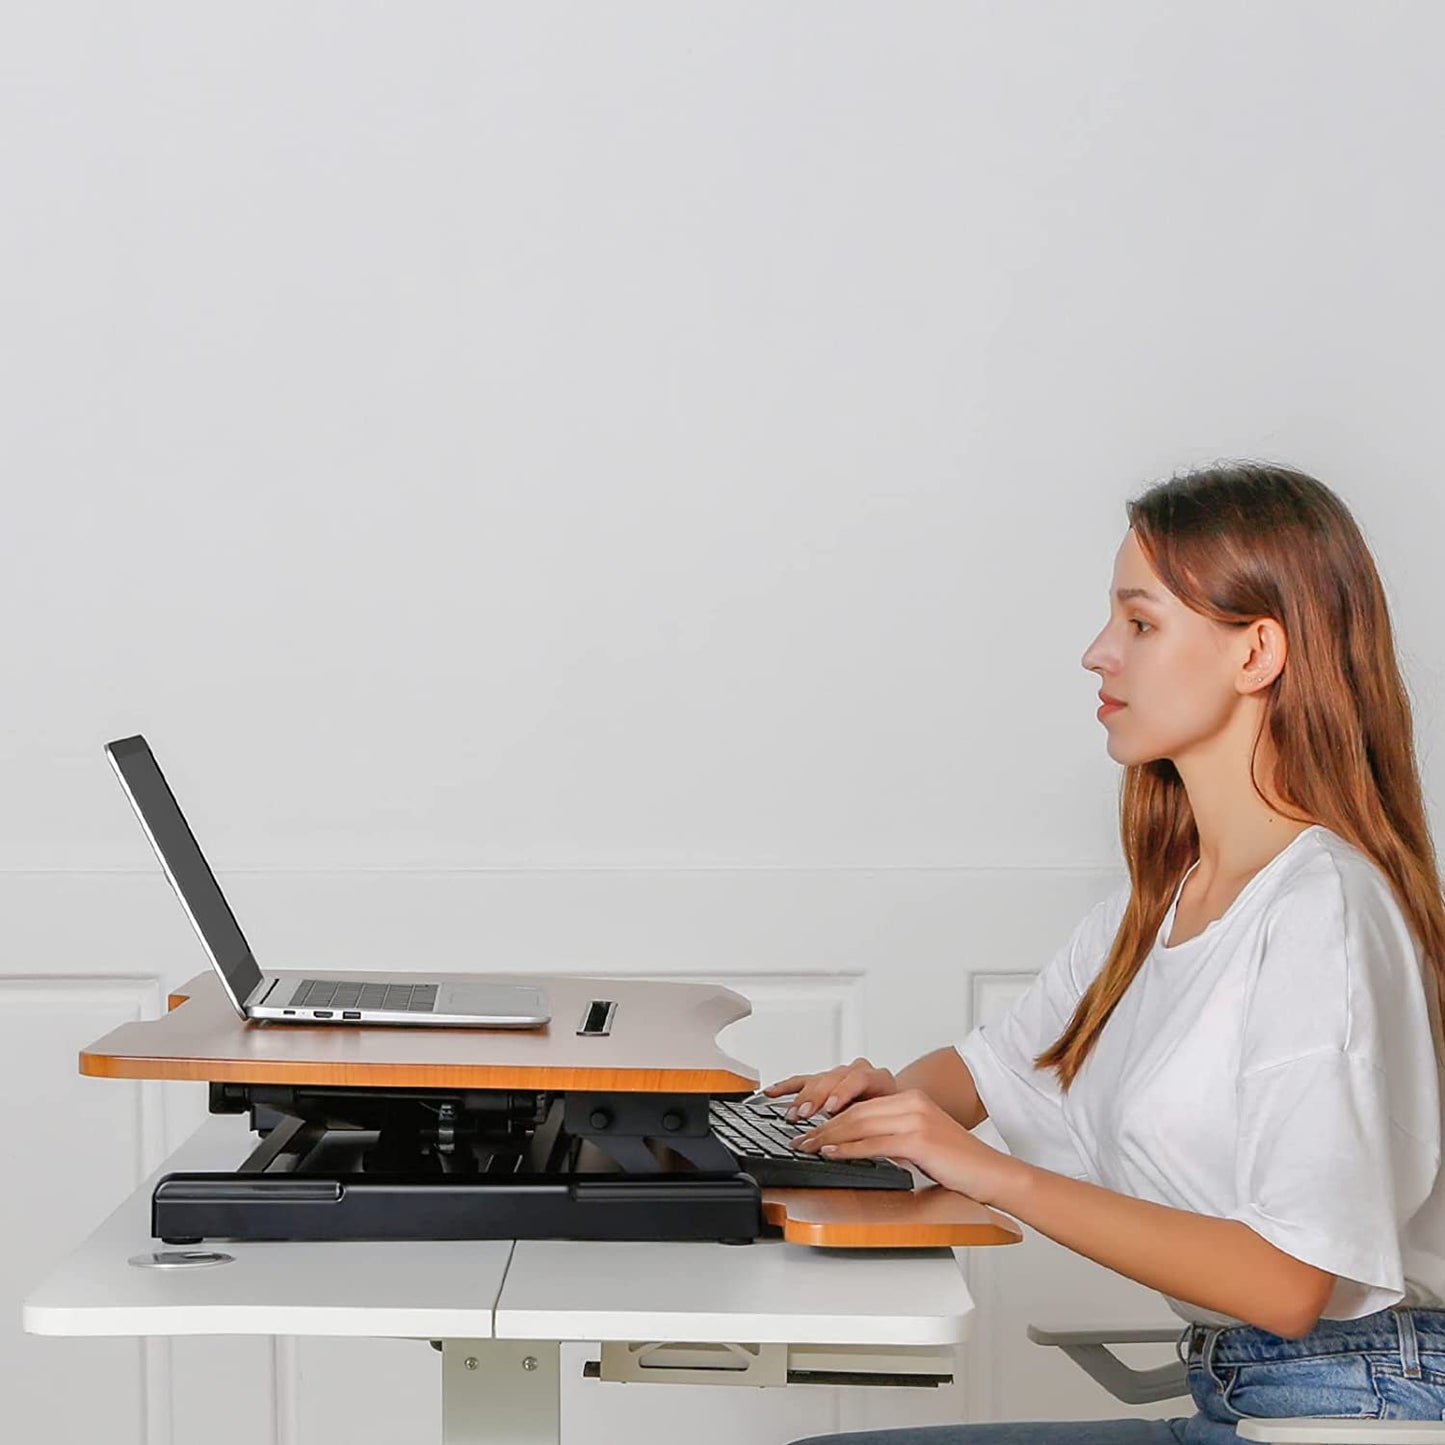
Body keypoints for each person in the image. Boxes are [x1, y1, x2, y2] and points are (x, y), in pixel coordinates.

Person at [778, 462, 1445, 1445]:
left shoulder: (1319, 910)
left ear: (1255, 649)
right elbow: (982, 1071)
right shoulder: (1160, 901)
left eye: (1138, 622)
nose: (1097, 653)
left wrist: (980, 1169)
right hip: (1259, 1399)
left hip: (1351, 1408)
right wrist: (878, 1109)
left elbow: (1286, 1280)